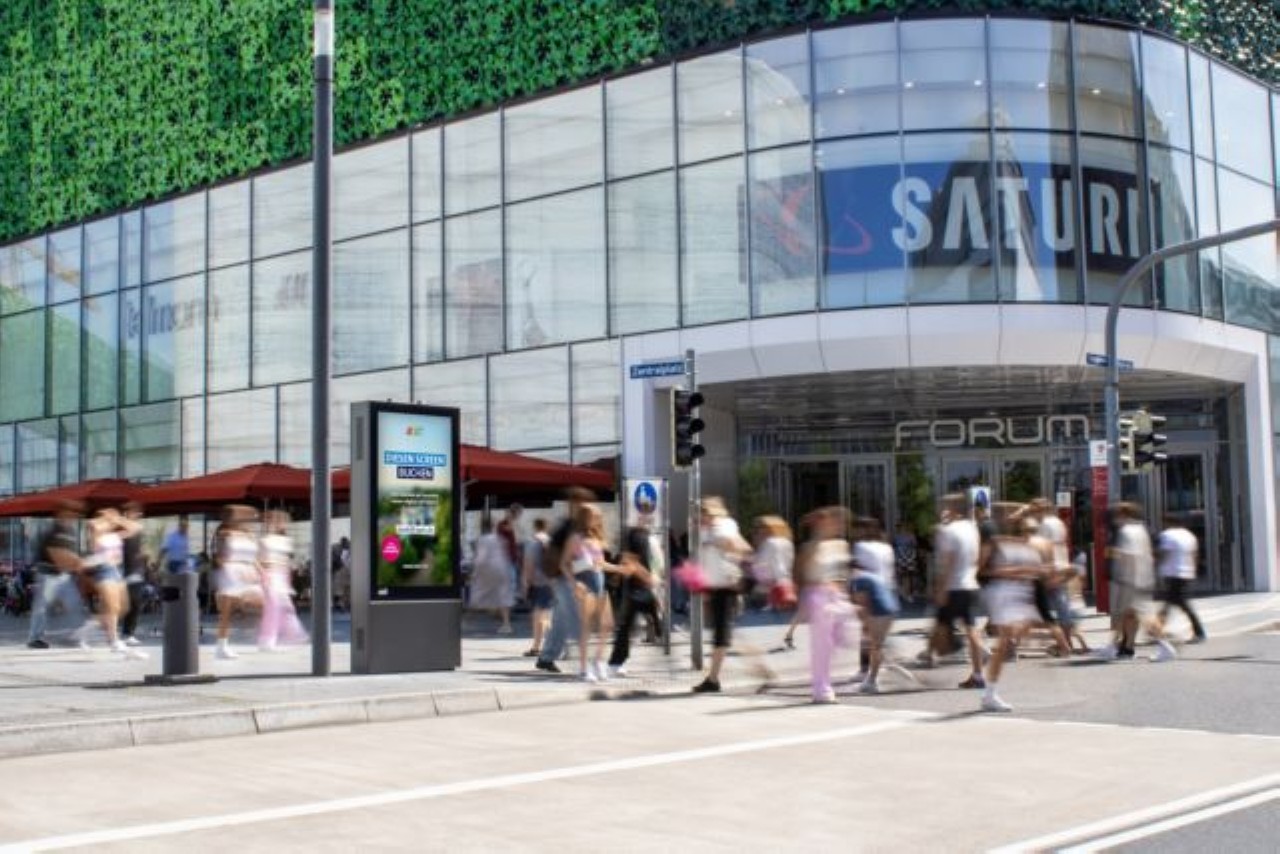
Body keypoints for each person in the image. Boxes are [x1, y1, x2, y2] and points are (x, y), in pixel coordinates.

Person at [979, 517, 1050, 712]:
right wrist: (1011, 572)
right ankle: (989, 694)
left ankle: (990, 657)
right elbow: (983, 570)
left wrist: (1039, 572)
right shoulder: (1001, 546)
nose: (1028, 535)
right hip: (1002, 593)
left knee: (1015, 637)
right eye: (1024, 530)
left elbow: (1036, 574)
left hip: (1020, 596)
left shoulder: (1032, 551)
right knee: (1004, 644)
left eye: (1031, 531)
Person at [922, 494, 988, 689]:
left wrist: (940, 588)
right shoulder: (972, 528)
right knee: (970, 629)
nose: (942, 509)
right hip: (970, 585)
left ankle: (929, 658)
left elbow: (947, 562)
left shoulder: (948, 531)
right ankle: (978, 674)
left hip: (953, 587)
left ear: (953, 509)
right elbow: (976, 558)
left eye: (946, 506)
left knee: (941, 625)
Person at [1098, 503, 1176, 663]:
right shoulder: (1141, 529)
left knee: (1129, 616)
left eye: (1117, 515)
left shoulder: (1127, 531)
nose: (1114, 519)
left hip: (1130, 580)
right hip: (1142, 579)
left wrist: (1114, 554)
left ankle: (1165, 647)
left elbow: (1129, 554)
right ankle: (1119, 647)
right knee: (1129, 615)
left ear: (1124, 514)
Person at [794, 506, 855, 704]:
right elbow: (800, 573)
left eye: (842, 522)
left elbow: (843, 572)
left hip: (838, 596)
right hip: (817, 595)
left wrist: (844, 591)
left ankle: (822, 681)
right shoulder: (810, 546)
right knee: (823, 645)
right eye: (835, 521)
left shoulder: (841, 544)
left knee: (839, 640)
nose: (839, 525)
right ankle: (821, 689)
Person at [535, 488, 595, 675]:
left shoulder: (575, 525)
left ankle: (546, 658)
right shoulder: (568, 526)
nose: (586, 507)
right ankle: (585, 664)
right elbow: (559, 555)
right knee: (576, 621)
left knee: (561, 620)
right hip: (565, 578)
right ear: (574, 503)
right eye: (583, 503)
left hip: (568, 578)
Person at [77, 507, 147, 659]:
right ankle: (114, 641)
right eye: (108, 516)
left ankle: (87, 629)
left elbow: (136, 528)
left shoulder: (114, 535)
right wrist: (106, 518)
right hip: (103, 571)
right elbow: (92, 524)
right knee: (113, 608)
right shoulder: (97, 533)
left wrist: (119, 519)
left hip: (116, 571)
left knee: (123, 607)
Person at [566, 503, 621, 682]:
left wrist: (620, 568)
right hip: (585, 584)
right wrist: (574, 583)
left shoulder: (596, 538)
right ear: (585, 518)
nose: (598, 519)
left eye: (598, 516)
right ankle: (583, 669)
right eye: (595, 516)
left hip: (600, 583)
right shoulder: (575, 538)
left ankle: (598, 661)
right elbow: (564, 564)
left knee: (607, 625)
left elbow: (601, 564)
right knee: (587, 628)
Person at [26, 501, 87, 649]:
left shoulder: (71, 531)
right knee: (42, 607)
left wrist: (78, 562)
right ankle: (35, 638)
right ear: (61, 513)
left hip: (63, 575)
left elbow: (71, 553)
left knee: (74, 603)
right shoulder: (52, 531)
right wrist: (76, 563)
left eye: (75, 514)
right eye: (71, 513)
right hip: (47, 574)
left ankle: (75, 635)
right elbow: (57, 556)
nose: (74, 516)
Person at [607, 525, 664, 677]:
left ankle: (616, 662)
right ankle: (616, 662)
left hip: (636, 590)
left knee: (626, 627)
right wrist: (650, 578)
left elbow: (632, 565)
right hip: (640, 589)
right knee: (628, 626)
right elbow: (639, 565)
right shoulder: (645, 540)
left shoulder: (636, 541)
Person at [213, 505, 263, 660]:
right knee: (226, 613)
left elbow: (254, 557)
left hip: (248, 572)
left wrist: (261, 571)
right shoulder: (224, 533)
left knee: (262, 604)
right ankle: (221, 647)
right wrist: (230, 570)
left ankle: (263, 636)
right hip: (232, 573)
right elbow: (219, 557)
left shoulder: (248, 534)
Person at [257, 510, 307, 651]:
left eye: (282, 521)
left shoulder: (286, 541)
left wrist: (288, 578)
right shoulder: (264, 540)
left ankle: (293, 634)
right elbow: (256, 560)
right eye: (276, 520)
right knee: (273, 607)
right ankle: (268, 640)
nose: (280, 523)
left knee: (286, 607)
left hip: (281, 576)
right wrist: (263, 573)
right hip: (269, 574)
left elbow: (286, 562)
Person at [1156, 514, 1206, 643]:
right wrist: (1193, 570)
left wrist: (1156, 564)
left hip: (1172, 573)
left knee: (1180, 603)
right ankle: (1157, 629)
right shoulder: (1189, 536)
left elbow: (1164, 553)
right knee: (1172, 601)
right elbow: (1195, 555)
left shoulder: (1167, 535)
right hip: (1186, 573)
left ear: (1168, 523)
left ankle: (1199, 632)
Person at [469, 517, 515, 634]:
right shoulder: (500, 538)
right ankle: (506, 624)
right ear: (493, 526)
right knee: (503, 595)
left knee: (478, 592)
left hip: (489, 569)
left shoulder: (482, 540)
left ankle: (468, 618)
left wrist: (475, 573)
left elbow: (481, 558)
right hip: (503, 568)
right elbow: (506, 554)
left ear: (481, 527)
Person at [521, 518, 553, 657]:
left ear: (535, 527)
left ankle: (539, 647)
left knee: (539, 616)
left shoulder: (532, 542)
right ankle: (543, 646)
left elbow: (529, 563)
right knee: (545, 615)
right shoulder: (551, 541)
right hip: (552, 581)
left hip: (538, 582)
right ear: (546, 527)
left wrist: (526, 582)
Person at [118, 502, 147, 646]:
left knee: (136, 603)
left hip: (136, 570)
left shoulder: (135, 528)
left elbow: (139, 546)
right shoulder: (123, 531)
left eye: (137, 512)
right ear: (127, 513)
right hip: (125, 571)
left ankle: (128, 633)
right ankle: (124, 632)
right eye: (134, 512)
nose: (138, 515)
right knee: (128, 604)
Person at [751, 516, 795, 611]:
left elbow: (760, 568)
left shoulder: (769, 543)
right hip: (786, 586)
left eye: (759, 527)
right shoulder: (787, 542)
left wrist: (750, 565)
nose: (756, 531)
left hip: (767, 590)